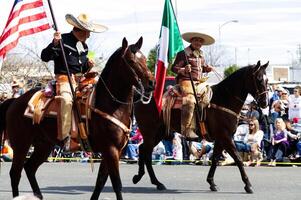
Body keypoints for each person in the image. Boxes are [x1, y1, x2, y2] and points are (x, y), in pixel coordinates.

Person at [41, 13, 107, 150]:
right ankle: (65, 138)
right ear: (81, 30)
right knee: (66, 100)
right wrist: (54, 44)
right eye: (88, 32)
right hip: (64, 80)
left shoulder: (85, 47)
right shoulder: (62, 40)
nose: (89, 35)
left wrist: (88, 66)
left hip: (81, 82)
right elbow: (45, 57)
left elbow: (81, 69)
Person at [171, 32, 215, 139]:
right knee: (190, 101)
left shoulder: (201, 55)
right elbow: (173, 68)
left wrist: (207, 69)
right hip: (186, 81)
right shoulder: (183, 53)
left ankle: (202, 125)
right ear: (191, 41)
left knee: (210, 95)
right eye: (196, 40)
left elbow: (201, 68)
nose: (198, 43)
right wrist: (183, 69)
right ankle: (186, 129)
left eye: (200, 41)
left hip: (199, 82)